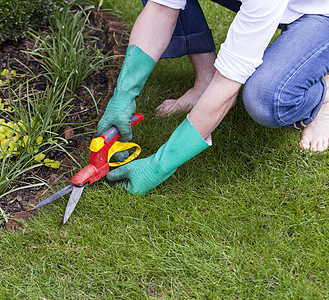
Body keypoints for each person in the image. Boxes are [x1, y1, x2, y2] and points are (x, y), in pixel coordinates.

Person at [97, 0, 329, 195]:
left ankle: (325, 96)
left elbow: (229, 81)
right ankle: (204, 82)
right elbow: (161, 8)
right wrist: (124, 94)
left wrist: (160, 165)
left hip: (319, 10)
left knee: (267, 99)